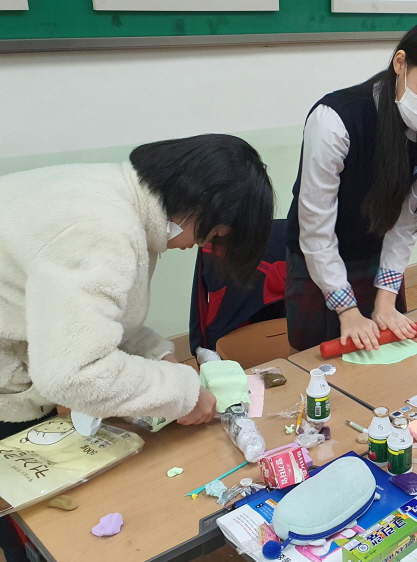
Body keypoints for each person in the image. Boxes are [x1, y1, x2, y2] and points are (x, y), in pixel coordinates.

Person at [0, 134, 275, 562]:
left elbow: (98, 318)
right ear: (199, 204)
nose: (199, 246)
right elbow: (73, 374)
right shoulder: (103, 230)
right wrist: (182, 393)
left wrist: (157, 355)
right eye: (213, 234)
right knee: (26, 512)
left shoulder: (122, 200)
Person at [285, 15, 417, 353]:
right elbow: (316, 228)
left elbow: (406, 223)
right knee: (316, 361)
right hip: (316, 257)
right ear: (400, 63)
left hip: (377, 255)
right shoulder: (335, 120)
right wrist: (347, 311)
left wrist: (386, 301)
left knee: (388, 352)